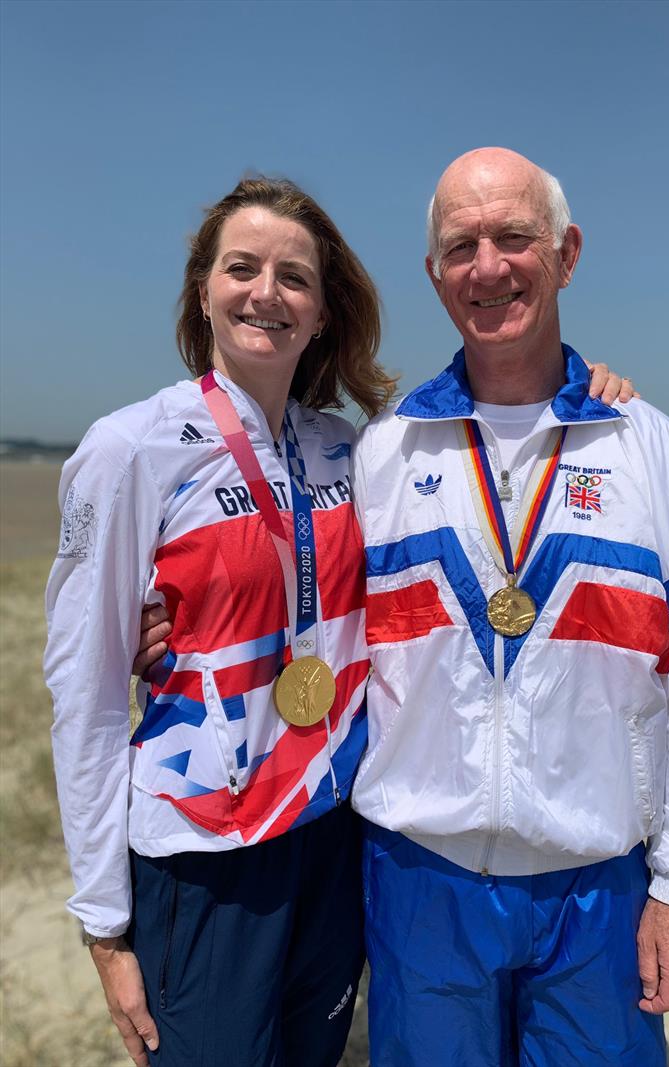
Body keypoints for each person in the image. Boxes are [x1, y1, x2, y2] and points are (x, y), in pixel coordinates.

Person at [347, 148, 669, 1066]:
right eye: (461, 246)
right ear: (434, 274)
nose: (487, 266)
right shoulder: (385, 450)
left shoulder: (646, 446)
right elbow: (317, 631)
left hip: (598, 892)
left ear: (567, 252)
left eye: (514, 237)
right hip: (422, 883)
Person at [44, 176, 396, 1067]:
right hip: (203, 850)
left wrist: (581, 393)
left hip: (331, 827)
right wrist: (104, 924)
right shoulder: (131, 448)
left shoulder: (349, 450)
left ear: (321, 312)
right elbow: (83, 693)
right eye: (242, 268)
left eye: (295, 277)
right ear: (203, 290)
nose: (266, 293)